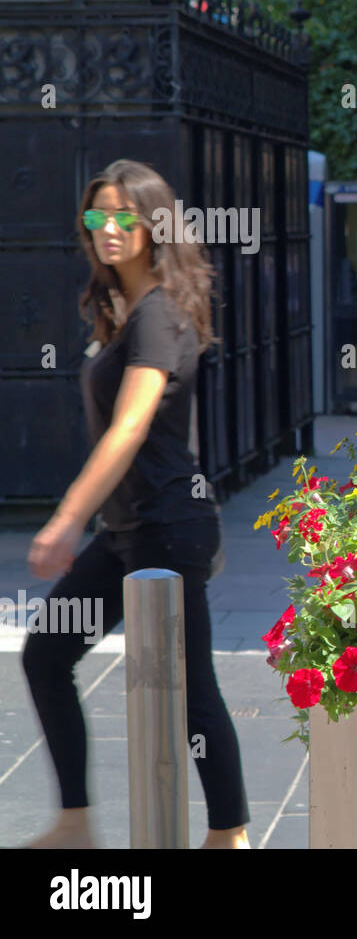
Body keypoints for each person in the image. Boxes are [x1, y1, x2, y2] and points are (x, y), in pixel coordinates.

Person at [23, 160, 250, 849]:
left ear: (154, 223)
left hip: (168, 528)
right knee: (45, 655)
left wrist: (65, 518)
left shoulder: (160, 313)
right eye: (97, 218)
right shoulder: (125, 307)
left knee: (191, 689)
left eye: (125, 215)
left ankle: (230, 835)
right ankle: (74, 824)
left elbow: (129, 426)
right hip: (128, 530)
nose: (109, 229)